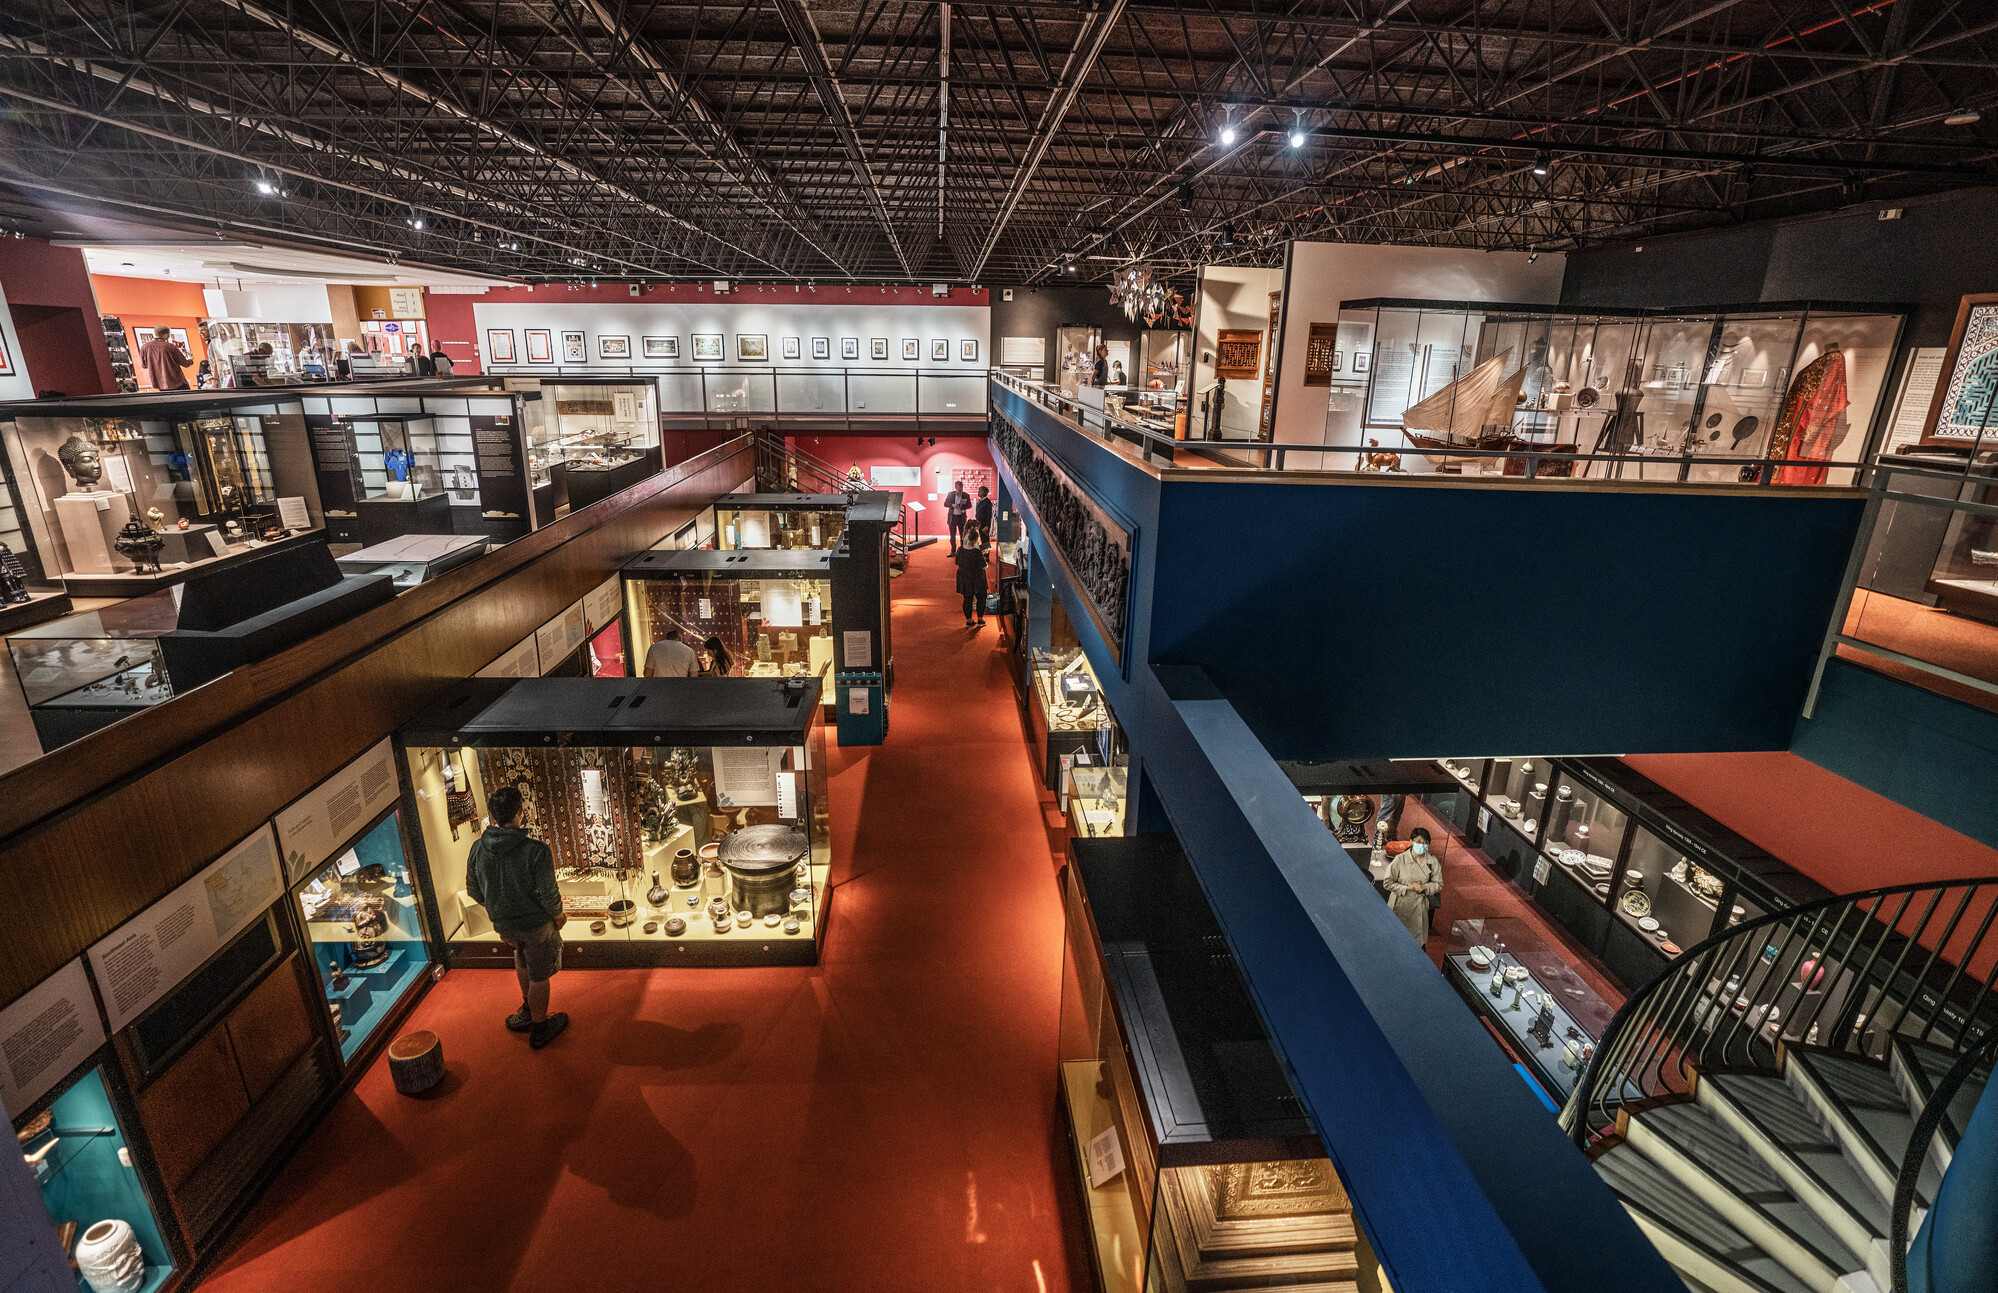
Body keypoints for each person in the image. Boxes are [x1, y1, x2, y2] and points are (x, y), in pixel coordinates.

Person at [466, 785, 569, 1048]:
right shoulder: (535, 851)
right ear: (520, 813)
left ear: (492, 815)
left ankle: (527, 1009)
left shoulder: (478, 848)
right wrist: (558, 915)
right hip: (535, 925)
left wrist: (498, 907)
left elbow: (474, 890)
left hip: (504, 926)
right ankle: (539, 1026)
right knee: (539, 975)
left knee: (521, 959)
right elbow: (548, 893)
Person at [1383, 827, 1443, 944]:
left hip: (1419, 907)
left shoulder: (1432, 862)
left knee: (1416, 941)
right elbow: (1387, 883)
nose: (1422, 845)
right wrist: (1407, 888)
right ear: (1411, 842)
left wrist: (1425, 887)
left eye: (1425, 843)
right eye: (1419, 842)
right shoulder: (1400, 860)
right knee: (1396, 939)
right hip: (1400, 905)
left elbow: (1438, 884)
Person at [954, 522, 990, 627]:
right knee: (981, 598)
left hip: (964, 577)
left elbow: (957, 562)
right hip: (977, 578)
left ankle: (969, 621)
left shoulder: (960, 550)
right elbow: (984, 566)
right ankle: (980, 619)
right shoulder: (976, 552)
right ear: (976, 539)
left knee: (967, 598)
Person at [137, 326, 193, 391]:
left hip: (160, 385)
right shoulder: (169, 346)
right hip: (177, 383)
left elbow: (144, 365)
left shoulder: (145, 347)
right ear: (165, 335)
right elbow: (185, 363)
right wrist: (191, 359)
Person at [943, 480, 972, 552]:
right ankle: (953, 550)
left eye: (962, 487)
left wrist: (963, 506)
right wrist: (952, 505)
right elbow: (945, 504)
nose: (961, 489)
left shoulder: (966, 495)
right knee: (952, 536)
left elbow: (970, 505)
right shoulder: (950, 494)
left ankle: (962, 551)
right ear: (956, 487)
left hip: (961, 518)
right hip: (952, 518)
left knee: (963, 535)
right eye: (959, 487)